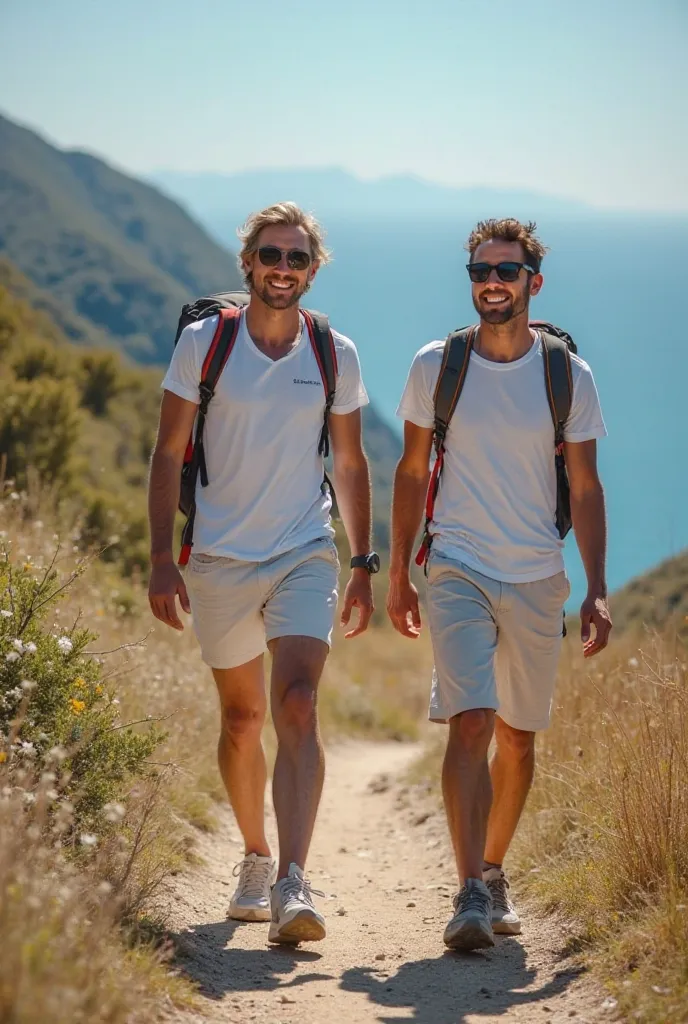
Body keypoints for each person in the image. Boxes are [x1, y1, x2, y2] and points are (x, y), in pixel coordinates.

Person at [147, 202, 378, 944]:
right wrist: (160, 557)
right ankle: (253, 855)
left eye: (298, 258)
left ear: (314, 269)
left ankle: (292, 881)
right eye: (272, 256)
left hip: (303, 549)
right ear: (248, 263)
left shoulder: (331, 352)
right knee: (243, 720)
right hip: (216, 556)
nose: (284, 269)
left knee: (300, 705)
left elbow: (348, 460)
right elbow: (167, 452)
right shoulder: (204, 343)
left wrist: (366, 562)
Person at [387, 218, 611, 951]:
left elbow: (584, 484)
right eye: (481, 270)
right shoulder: (437, 364)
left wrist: (596, 586)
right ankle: (469, 894)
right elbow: (412, 471)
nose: (492, 282)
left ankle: (494, 868)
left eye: (507, 272)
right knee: (472, 721)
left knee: (517, 736)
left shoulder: (565, 374)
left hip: (539, 573)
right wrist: (397, 572)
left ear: (532, 284)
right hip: (456, 566)